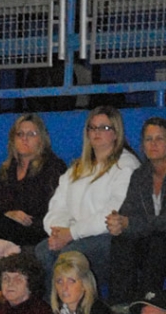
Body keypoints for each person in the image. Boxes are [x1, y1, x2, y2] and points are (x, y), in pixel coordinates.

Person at [0, 113, 66, 314]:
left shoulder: (54, 168)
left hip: (37, 229)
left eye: (31, 134)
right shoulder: (5, 171)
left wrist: (19, 218)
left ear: (42, 139)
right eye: (20, 134)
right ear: (13, 138)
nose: (25, 138)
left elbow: (58, 211)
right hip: (5, 229)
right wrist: (9, 214)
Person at [35, 106, 139, 286]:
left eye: (104, 128)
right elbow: (58, 206)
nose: (97, 132)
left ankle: (75, 307)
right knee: (43, 250)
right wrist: (59, 231)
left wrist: (72, 234)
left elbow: (111, 214)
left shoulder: (126, 165)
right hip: (75, 234)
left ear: (116, 133)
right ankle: (51, 309)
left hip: (109, 238)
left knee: (72, 254)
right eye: (92, 127)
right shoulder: (77, 167)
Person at [107, 118, 166, 306]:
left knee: (158, 242)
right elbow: (129, 213)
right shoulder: (140, 175)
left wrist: (130, 223)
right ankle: (121, 305)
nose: (154, 144)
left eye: (160, 139)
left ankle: (148, 302)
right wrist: (118, 223)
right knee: (121, 240)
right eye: (149, 139)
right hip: (149, 239)